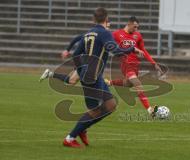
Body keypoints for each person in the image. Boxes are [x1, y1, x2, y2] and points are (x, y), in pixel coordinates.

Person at [41, 7, 144, 148]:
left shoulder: (89, 33)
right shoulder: (104, 33)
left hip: (94, 75)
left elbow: (76, 54)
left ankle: (82, 129)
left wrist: (80, 70)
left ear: (93, 19)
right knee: (96, 110)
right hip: (91, 77)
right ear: (106, 19)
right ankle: (70, 138)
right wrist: (131, 49)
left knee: (111, 104)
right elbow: (116, 51)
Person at [105, 16, 166, 115]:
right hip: (126, 64)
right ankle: (150, 110)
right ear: (128, 24)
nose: (136, 29)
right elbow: (109, 44)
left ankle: (109, 83)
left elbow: (144, 50)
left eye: (137, 27)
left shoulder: (137, 35)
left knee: (129, 84)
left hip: (135, 65)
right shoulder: (116, 34)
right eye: (135, 27)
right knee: (138, 84)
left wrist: (153, 63)